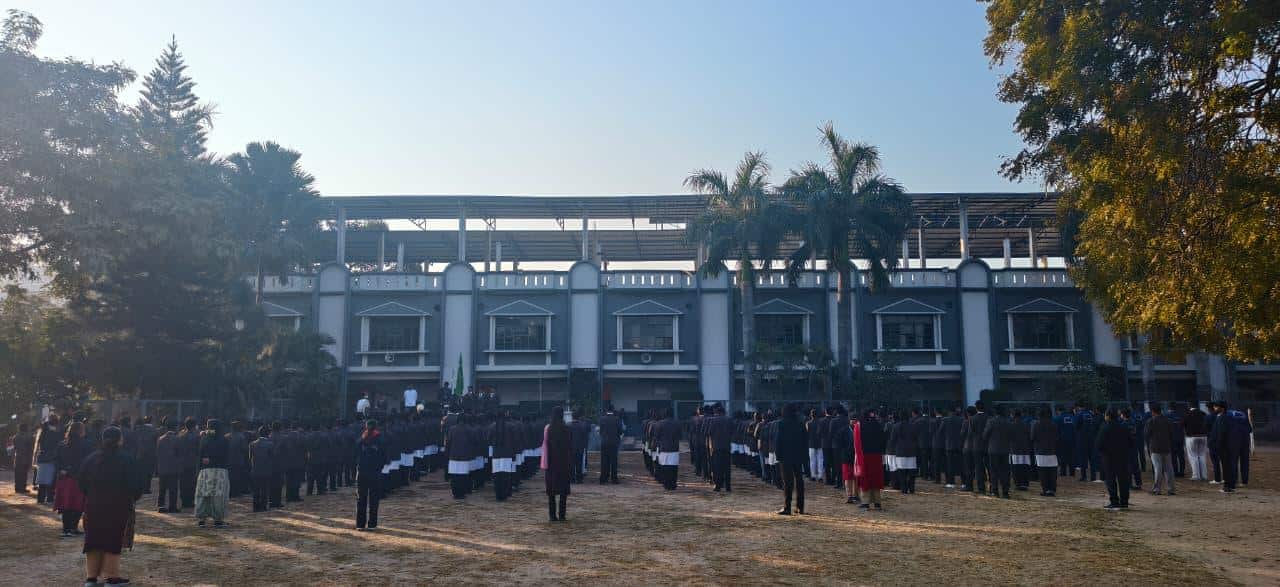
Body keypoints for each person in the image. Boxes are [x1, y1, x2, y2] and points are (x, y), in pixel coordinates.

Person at [78, 426, 145, 587]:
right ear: (120, 439)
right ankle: (111, 577)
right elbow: (136, 485)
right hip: (118, 505)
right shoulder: (127, 459)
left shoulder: (91, 458)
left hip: (94, 504)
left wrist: (91, 496)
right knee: (113, 538)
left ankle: (91, 578)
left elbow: (81, 483)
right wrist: (132, 498)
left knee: (93, 539)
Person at [55, 421, 91, 537]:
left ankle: (66, 529)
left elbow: (56, 460)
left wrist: (62, 470)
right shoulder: (86, 444)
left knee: (66, 504)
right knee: (77, 504)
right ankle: (72, 528)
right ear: (81, 431)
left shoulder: (62, 444)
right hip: (78, 478)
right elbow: (84, 462)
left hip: (64, 478)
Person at [194, 419, 230, 528]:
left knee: (203, 495)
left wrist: (199, 469)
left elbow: (200, 455)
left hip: (205, 471)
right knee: (218, 496)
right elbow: (227, 455)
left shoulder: (204, 439)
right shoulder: (224, 439)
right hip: (220, 471)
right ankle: (218, 520)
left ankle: (202, 520)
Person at [773, 403, 807, 515]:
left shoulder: (781, 423)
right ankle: (800, 507)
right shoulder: (801, 423)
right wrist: (805, 456)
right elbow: (805, 440)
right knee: (799, 480)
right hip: (798, 455)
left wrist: (778, 454)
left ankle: (787, 507)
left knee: (788, 482)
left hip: (785, 456)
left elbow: (778, 440)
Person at [1097, 408, 1134, 510]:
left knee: (1111, 480)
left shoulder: (1104, 428)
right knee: (1123, 480)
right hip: (1122, 457)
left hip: (1109, 458)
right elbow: (1131, 442)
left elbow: (1099, 444)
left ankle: (1114, 502)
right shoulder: (1124, 427)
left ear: (1108, 416)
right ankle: (1124, 502)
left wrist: (1104, 452)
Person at [542, 406, 573, 522]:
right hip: (564, 463)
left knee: (551, 492)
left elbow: (545, 446)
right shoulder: (567, 429)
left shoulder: (548, 428)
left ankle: (552, 515)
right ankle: (562, 515)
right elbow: (570, 447)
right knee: (563, 491)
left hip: (551, 463)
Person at [355, 419, 386, 530]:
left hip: (362, 472)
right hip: (375, 472)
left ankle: (360, 524)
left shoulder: (361, 440)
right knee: (374, 499)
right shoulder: (380, 439)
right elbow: (384, 456)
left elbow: (355, 453)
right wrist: (379, 467)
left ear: (366, 427)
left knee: (361, 499)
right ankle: (372, 524)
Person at [854, 409, 885, 510]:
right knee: (875, 478)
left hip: (864, 456)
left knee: (865, 478)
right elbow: (883, 440)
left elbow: (856, 443)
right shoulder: (878, 424)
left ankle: (865, 502)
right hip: (876, 455)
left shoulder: (859, 425)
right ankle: (877, 502)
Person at [1145, 402, 1175, 496]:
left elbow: (1146, 435)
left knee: (1158, 469)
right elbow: (1171, 434)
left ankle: (1157, 489)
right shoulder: (1167, 420)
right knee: (1169, 469)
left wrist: (1148, 445)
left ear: (1153, 411)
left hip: (1155, 448)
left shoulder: (1151, 421)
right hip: (1166, 447)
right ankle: (1171, 489)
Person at [983, 406, 1013, 499]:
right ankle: (1005, 492)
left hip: (993, 450)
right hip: (1005, 450)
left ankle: (994, 491)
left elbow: (985, 435)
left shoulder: (991, 421)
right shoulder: (1008, 422)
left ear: (995, 412)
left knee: (993, 471)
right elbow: (1011, 436)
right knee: (1005, 471)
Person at [154, 420, 182, 513]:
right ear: (175, 427)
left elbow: (157, 454)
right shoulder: (177, 439)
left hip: (162, 466)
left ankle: (161, 506)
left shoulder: (160, 439)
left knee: (162, 488)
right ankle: (172, 506)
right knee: (173, 488)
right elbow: (179, 453)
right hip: (173, 467)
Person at [34, 414, 62, 504]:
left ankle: (40, 499)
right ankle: (49, 498)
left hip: (43, 457)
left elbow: (39, 444)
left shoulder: (43, 430)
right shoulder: (57, 432)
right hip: (53, 458)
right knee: (52, 480)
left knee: (42, 480)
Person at [1030, 408, 1058, 496]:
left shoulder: (1035, 425)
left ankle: (1045, 489)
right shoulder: (1053, 424)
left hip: (1040, 451)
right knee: (1052, 471)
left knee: (1042, 472)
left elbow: (1032, 437)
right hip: (1052, 451)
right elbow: (1057, 437)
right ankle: (1052, 489)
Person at [249, 426, 277, 512]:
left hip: (255, 469)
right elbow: (273, 457)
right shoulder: (270, 444)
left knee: (256, 489)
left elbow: (250, 458)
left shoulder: (252, 444)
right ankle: (263, 506)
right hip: (266, 469)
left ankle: (255, 506)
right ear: (268, 433)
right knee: (265, 489)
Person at [706, 404, 733, 492]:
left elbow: (709, 433)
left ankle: (718, 485)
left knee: (718, 467)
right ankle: (728, 486)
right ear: (724, 412)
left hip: (716, 447)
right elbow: (732, 432)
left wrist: (710, 447)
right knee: (727, 467)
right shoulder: (729, 420)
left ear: (716, 412)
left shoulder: (713, 420)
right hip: (727, 446)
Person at [655, 408, 681, 491]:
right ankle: (673, 484)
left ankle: (666, 484)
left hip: (663, 449)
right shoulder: (677, 423)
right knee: (673, 467)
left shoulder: (659, 423)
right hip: (674, 449)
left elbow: (657, 436)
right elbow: (680, 436)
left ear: (665, 414)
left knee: (664, 467)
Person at [178, 418, 200, 510]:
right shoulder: (196, 436)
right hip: (192, 462)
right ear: (194, 426)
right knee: (191, 482)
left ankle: (184, 501)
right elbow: (198, 450)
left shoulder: (180, 435)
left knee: (183, 482)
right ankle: (190, 501)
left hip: (182, 462)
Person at [1183, 404, 1209, 481]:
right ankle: (1204, 475)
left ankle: (1196, 475)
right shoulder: (1203, 413)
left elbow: (1182, 424)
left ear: (1189, 406)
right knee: (1202, 455)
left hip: (1191, 437)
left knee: (1193, 456)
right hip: (1203, 436)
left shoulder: (1187, 414)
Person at [598, 404, 622, 484]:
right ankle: (614, 479)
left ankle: (603, 478)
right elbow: (620, 431)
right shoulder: (617, 419)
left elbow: (600, 431)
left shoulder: (602, 419)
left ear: (606, 410)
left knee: (604, 461)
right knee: (613, 461)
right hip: (614, 442)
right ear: (613, 410)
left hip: (604, 442)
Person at [11, 422, 35, 495]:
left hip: (18, 457)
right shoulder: (29, 437)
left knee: (17, 474)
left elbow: (14, 448)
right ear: (26, 429)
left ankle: (17, 488)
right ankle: (22, 488)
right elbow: (31, 448)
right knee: (24, 474)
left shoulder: (15, 436)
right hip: (25, 457)